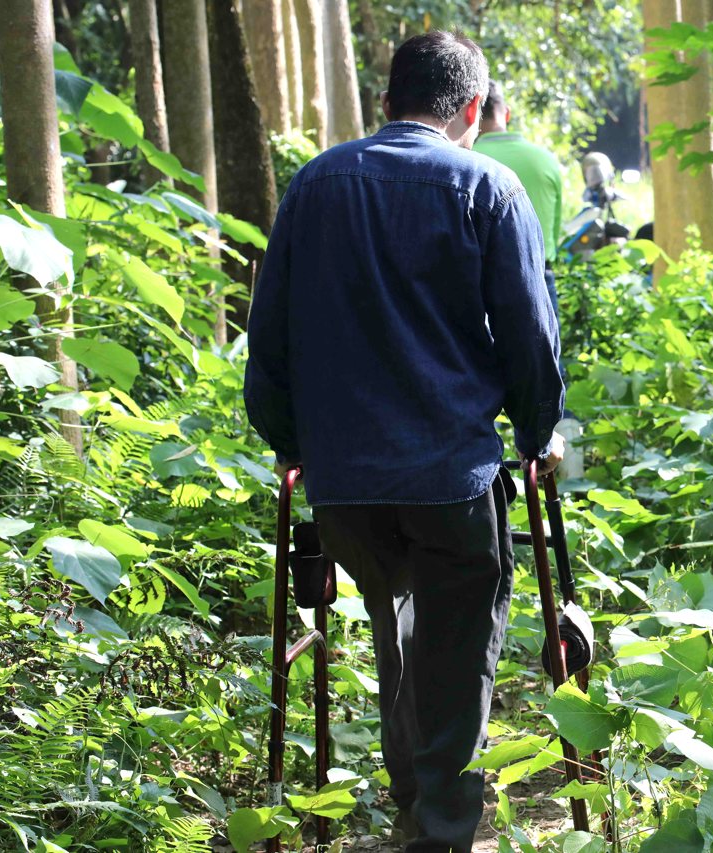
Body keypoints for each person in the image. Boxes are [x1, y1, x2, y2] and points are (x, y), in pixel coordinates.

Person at [243, 31, 565, 853]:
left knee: (402, 627)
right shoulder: (487, 187)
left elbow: (268, 336)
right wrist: (538, 433)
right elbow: (529, 334)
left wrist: (290, 440)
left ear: (386, 103)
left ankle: (414, 804)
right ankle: (439, 830)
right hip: (450, 474)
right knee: (454, 650)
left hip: (344, 483)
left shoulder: (315, 184)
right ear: (471, 110)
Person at [472, 81, 564, 319]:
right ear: (507, 113)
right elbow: (553, 233)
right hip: (540, 278)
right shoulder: (546, 160)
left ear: (470, 112)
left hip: (479, 284)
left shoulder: (464, 160)